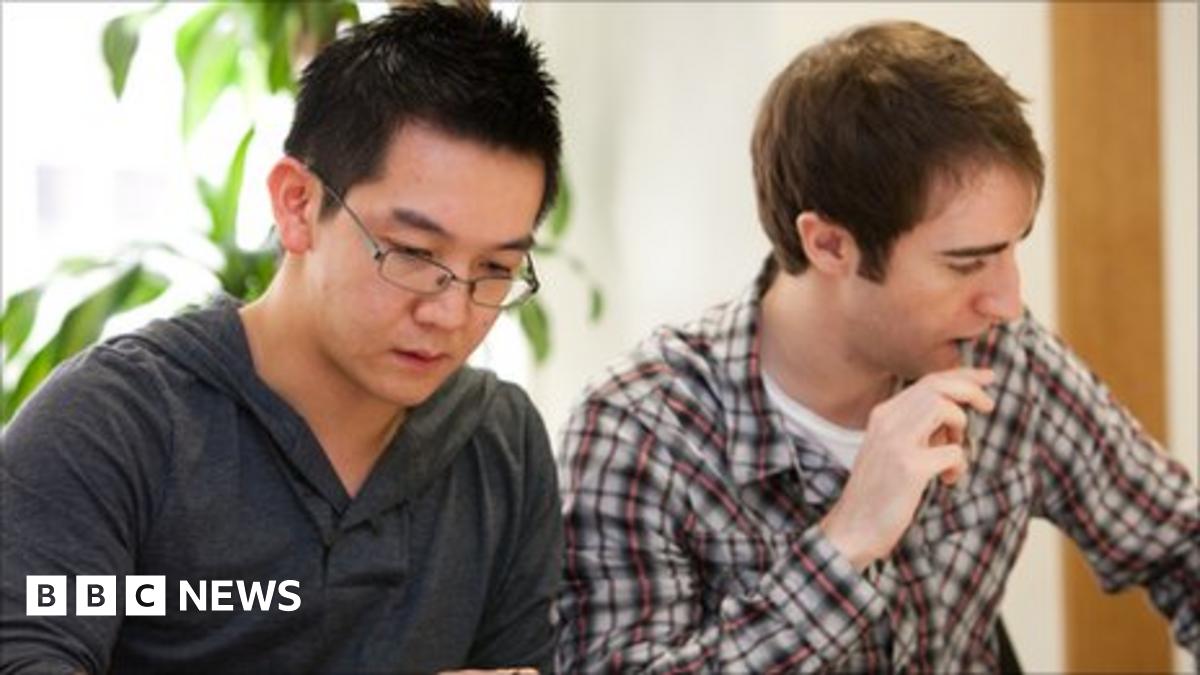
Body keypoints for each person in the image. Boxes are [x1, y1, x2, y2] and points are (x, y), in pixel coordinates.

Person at [555, 20, 1198, 673]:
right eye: (966, 263)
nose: (1006, 301)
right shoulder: (642, 428)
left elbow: (1181, 544)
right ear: (830, 244)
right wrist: (846, 541)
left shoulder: (1004, 357)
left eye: (1011, 249)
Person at [1, 3, 563, 673]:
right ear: (297, 203)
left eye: (495, 269)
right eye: (413, 252)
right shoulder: (115, 426)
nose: (451, 312)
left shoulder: (501, 446)